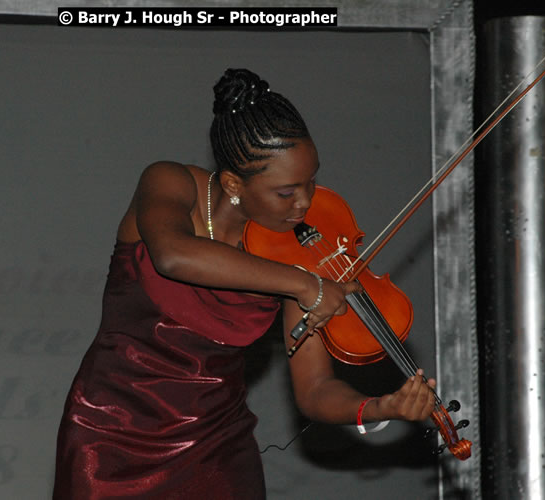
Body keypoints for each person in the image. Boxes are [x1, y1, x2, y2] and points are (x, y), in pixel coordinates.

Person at [53, 68, 437, 499]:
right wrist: (305, 284)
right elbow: (173, 254)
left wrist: (379, 406)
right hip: (111, 435)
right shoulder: (171, 182)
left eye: (311, 182)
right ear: (235, 184)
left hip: (217, 444)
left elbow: (314, 390)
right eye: (286, 192)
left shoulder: (299, 253)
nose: (306, 202)